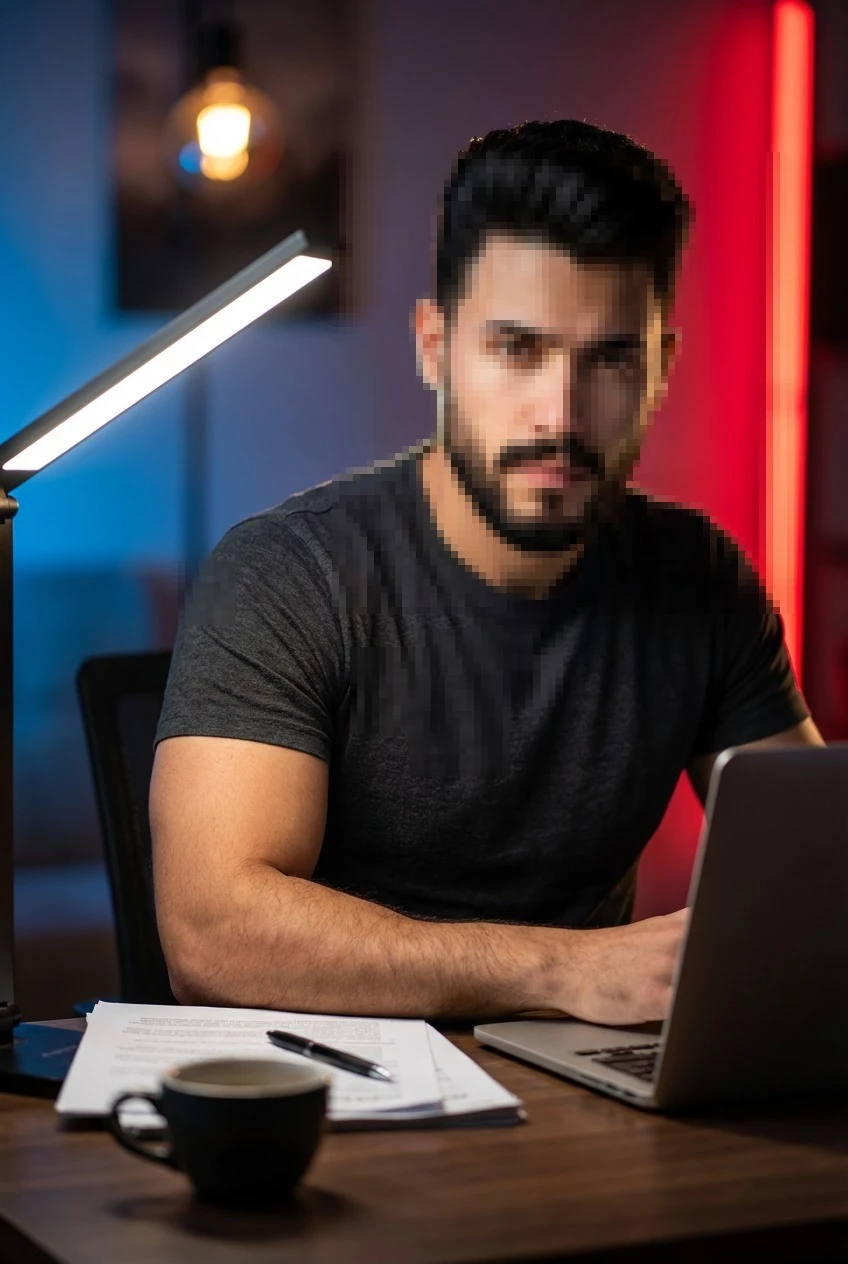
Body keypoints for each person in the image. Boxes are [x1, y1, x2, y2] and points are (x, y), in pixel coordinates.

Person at [151, 119, 823, 1025]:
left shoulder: (703, 581)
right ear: (435, 346)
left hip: (587, 1110)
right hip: (336, 1101)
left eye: (611, 358)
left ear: (661, 368)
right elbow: (212, 934)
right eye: (517, 349)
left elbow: (811, 881)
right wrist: (563, 972)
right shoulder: (287, 574)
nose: (561, 412)